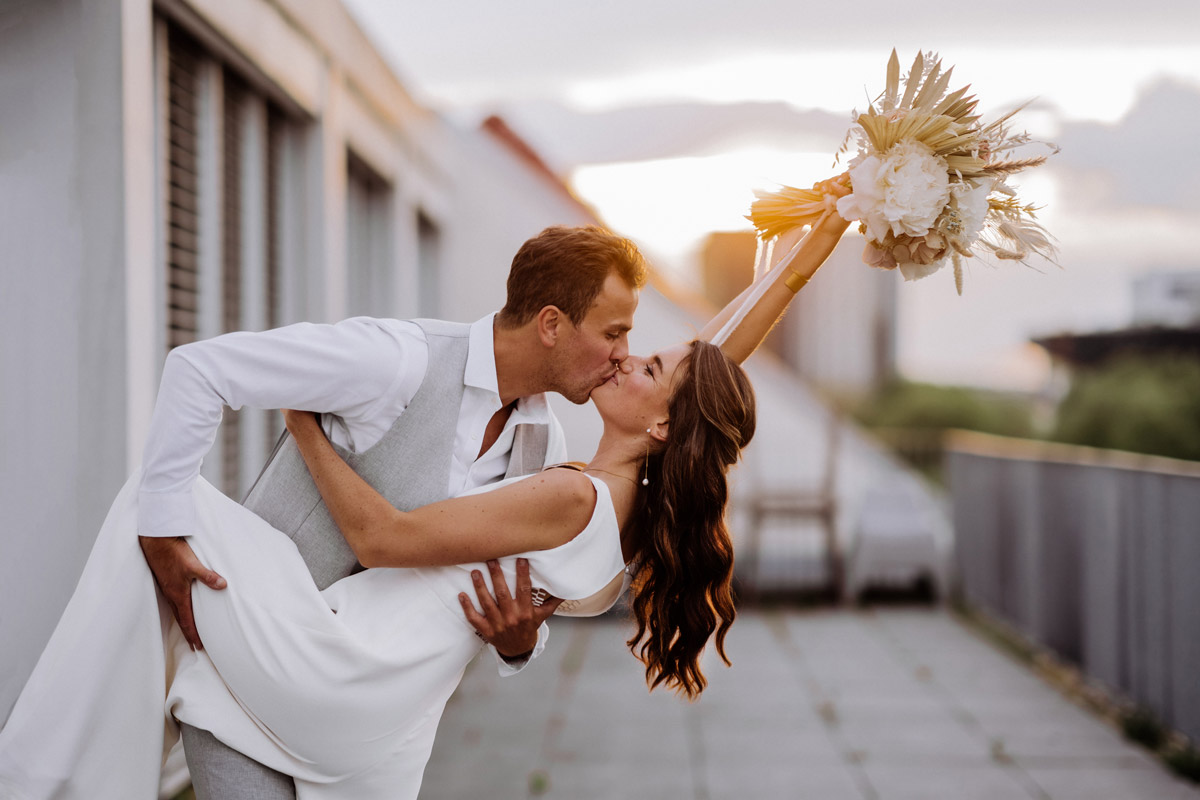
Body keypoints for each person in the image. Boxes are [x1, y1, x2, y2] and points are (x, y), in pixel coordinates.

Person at [0, 185, 850, 799]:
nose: (629, 355)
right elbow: (706, 371)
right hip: (346, 703)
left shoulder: (562, 475)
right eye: (620, 335)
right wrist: (810, 250)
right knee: (161, 513)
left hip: (332, 675)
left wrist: (300, 427)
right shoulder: (401, 365)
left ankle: (38, 777)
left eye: (641, 352)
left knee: (146, 514)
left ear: (662, 426)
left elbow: (391, 543)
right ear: (554, 324)